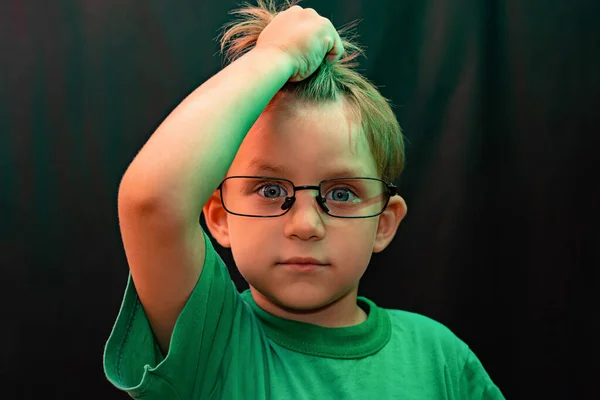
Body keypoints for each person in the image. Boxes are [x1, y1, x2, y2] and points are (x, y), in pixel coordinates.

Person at [103, 0, 505, 398]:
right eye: (271, 190)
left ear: (384, 221)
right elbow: (152, 202)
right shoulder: (211, 343)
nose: (305, 226)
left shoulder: (440, 358)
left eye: (342, 193)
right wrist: (275, 57)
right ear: (220, 216)